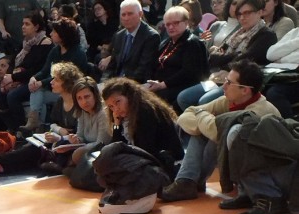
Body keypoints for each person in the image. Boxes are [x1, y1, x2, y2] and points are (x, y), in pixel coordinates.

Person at [160, 59, 281, 201]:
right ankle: (187, 181)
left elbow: (219, 132)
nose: (224, 86)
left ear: (245, 90)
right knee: (202, 130)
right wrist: (203, 120)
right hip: (237, 164)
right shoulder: (228, 101)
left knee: (213, 131)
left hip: (265, 175)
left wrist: (201, 117)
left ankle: (188, 180)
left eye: (229, 83)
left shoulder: (261, 111)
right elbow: (185, 115)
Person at [0, 70, 111, 176]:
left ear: (95, 96)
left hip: (88, 152)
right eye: (80, 98)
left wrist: (66, 140)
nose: (83, 102)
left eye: (87, 97)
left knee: (39, 150)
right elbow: (79, 135)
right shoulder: (80, 111)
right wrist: (68, 139)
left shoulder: (102, 114)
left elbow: (101, 143)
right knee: (35, 148)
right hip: (72, 146)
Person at [176, 0, 277, 110]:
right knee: (183, 97)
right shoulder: (236, 34)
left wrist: (225, 58)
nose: (242, 17)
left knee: (204, 101)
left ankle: (212, 124)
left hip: (239, 83)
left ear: (259, 12)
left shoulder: (267, 35)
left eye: (247, 13)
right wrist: (233, 55)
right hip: (218, 77)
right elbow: (213, 58)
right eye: (239, 14)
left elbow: (242, 62)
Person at [101, 76, 184, 172]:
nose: (116, 109)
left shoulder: (145, 111)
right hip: (145, 158)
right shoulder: (125, 115)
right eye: (111, 106)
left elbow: (145, 149)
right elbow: (117, 145)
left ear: (129, 96)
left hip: (164, 162)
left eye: (118, 102)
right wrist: (117, 125)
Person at [0, 12, 53, 131]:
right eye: (23, 23)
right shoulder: (26, 43)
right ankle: (11, 126)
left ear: (36, 27)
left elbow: (36, 70)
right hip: (21, 78)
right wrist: (11, 78)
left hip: (37, 80)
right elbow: (14, 63)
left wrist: (14, 78)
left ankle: (19, 129)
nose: (23, 26)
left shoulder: (45, 43)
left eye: (27, 24)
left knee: (13, 95)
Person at [23, 17, 88, 132]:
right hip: (55, 88)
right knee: (36, 92)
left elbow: (65, 78)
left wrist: (41, 83)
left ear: (63, 34)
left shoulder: (78, 53)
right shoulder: (55, 50)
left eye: (54, 31)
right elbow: (45, 70)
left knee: (38, 91)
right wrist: (34, 78)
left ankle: (39, 126)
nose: (51, 34)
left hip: (70, 92)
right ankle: (36, 123)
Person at [144, 6, 209, 111]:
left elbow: (189, 72)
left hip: (183, 86)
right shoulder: (166, 42)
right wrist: (150, 81)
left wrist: (162, 85)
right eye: (168, 24)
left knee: (151, 100)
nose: (171, 27)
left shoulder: (192, 43)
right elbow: (152, 64)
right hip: (161, 84)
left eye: (176, 23)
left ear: (186, 23)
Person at [98, 0, 162, 84]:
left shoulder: (151, 36)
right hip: (117, 82)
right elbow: (111, 66)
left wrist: (121, 85)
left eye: (130, 14)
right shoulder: (118, 36)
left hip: (136, 84)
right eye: (123, 14)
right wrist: (103, 83)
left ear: (140, 14)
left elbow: (143, 70)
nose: (126, 18)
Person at [264, 26, 299, 118]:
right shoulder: (294, 32)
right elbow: (270, 54)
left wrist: (281, 59)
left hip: (296, 79)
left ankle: (289, 128)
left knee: (274, 94)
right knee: (255, 86)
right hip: (283, 74)